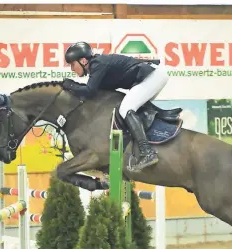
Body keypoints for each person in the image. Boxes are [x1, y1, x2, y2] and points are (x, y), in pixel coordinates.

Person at [61, 41, 169, 172]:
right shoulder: (96, 68)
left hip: (152, 76)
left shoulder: (98, 64)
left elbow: (89, 91)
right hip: (153, 76)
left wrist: (70, 85)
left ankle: (147, 152)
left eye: (72, 64)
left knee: (126, 109)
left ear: (83, 61)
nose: (72, 69)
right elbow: (94, 93)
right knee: (133, 109)